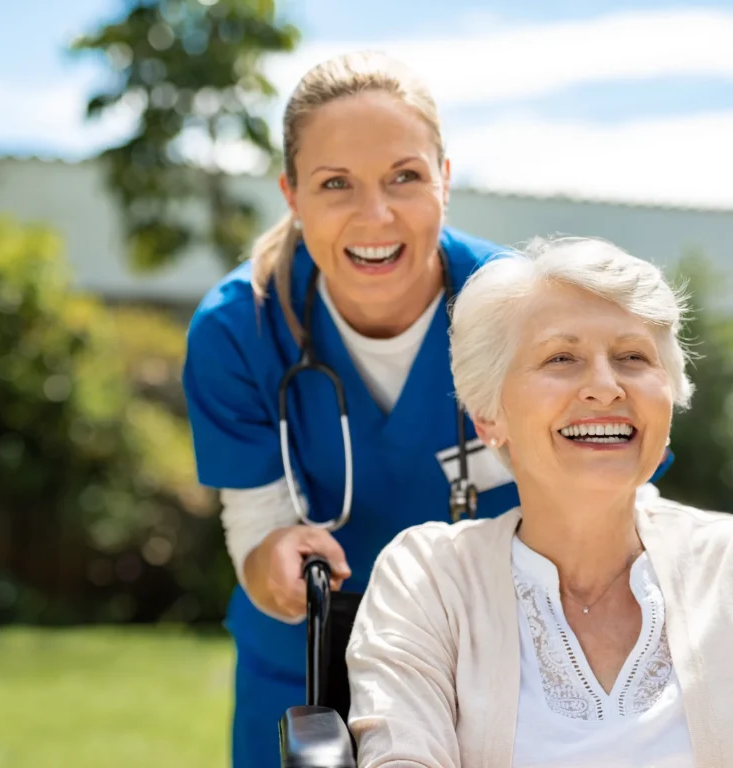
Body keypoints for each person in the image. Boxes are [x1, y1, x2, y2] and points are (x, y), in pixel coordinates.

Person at [182, 52, 672, 768]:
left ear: (444, 179)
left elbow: (622, 483)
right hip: (313, 672)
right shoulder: (238, 331)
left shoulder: (526, 311)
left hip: (507, 664)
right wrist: (274, 564)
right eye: (335, 184)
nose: (374, 214)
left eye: (404, 177)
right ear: (291, 193)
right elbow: (256, 526)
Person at [345, 236, 733, 768]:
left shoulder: (726, 563)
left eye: (632, 357)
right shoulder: (428, 578)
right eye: (562, 357)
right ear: (489, 416)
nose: (605, 386)